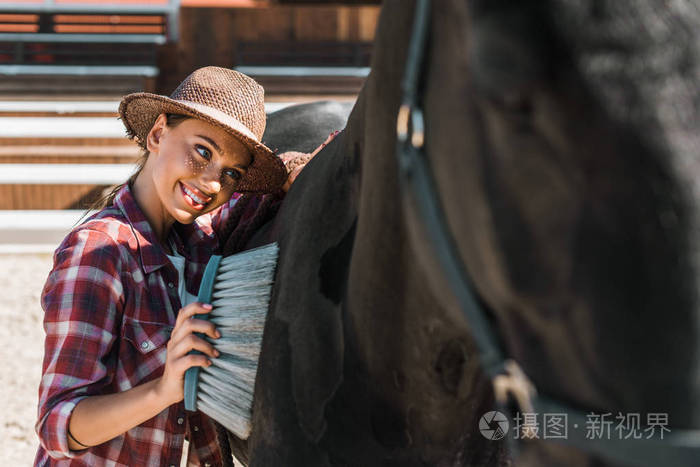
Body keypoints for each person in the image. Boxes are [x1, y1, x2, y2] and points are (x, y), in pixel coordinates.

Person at [34, 66, 333, 466]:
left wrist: (300, 171)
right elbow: (58, 425)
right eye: (203, 152)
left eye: (231, 173)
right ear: (158, 134)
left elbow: (272, 193)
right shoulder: (99, 252)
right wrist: (165, 389)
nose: (212, 184)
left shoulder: (204, 241)